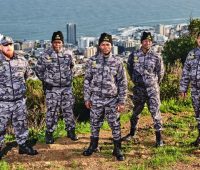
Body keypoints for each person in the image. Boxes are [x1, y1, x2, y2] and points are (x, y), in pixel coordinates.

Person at [83, 33, 127, 161]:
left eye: (108, 44)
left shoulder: (117, 62)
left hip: (112, 99)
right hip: (96, 98)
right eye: (103, 44)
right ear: (99, 45)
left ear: (111, 46)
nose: (105, 46)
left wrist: (122, 101)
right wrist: (87, 98)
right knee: (94, 124)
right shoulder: (92, 61)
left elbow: (122, 82)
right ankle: (93, 146)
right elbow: (87, 80)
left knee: (115, 124)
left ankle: (117, 148)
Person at [122, 32, 165, 147]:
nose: (148, 43)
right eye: (145, 41)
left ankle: (159, 138)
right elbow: (129, 68)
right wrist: (136, 80)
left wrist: (154, 83)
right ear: (141, 42)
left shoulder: (156, 56)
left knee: (155, 113)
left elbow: (160, 73)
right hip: (139, 89)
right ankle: (132, 133)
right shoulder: (134, 55)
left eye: (150, 41)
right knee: (136, 112)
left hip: (152, 89)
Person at [35, 31, 78, 144]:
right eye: (55, 42)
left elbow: (73, 67)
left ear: (62, 43)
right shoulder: (45, 55)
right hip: (52, 89)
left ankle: (71, 131)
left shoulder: (68, 54)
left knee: (68, 110)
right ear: (52, 43)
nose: (57, 45)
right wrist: (47, 80)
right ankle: (49, 133)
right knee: (52, 112)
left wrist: (68, 78)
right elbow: (38, 70)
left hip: (66, 88)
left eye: (59, 42)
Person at [0, 36, 38, 156]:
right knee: (0, 127)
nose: (9, 47)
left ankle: (23, 146)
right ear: (1, 47)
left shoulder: (22, 60)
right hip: (3, 102)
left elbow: (28, 76)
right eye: (5, 45)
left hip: (19, 101)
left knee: (21, 125)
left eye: (10, 44)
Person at [180, 32, 200, 147]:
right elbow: (185, 72)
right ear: (197, 39)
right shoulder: (192, 54)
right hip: (195, 90)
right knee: (198, 115)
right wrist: (183, 89)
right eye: (199, 38)